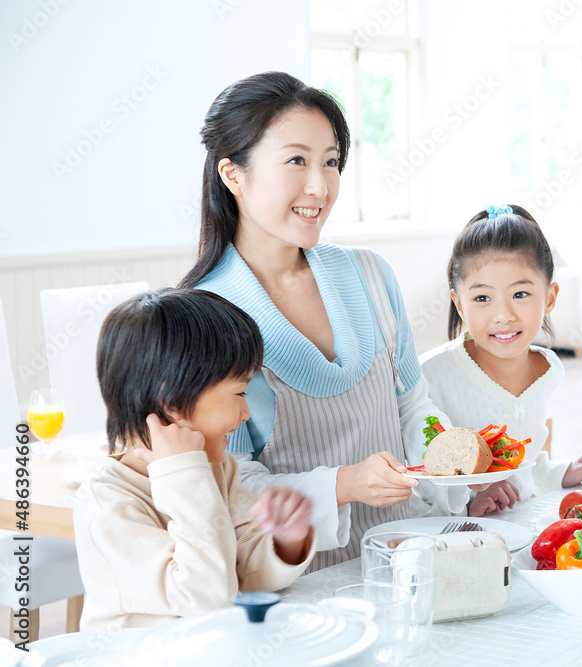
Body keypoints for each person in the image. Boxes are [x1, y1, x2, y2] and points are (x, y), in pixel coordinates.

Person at [178, 72, 467, 569]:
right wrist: (344, 485)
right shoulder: (205, 318)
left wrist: (458, 477)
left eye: (330, 162)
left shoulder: (371, 275)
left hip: (411, 550)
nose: (320, 186)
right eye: (296, 161)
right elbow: (235, 483)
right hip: (295, 576)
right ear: (233, 175)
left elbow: (413, 406)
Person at [75, 289, 316, 630]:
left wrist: (286, 542)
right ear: (172, 399)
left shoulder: (216, 467)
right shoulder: (107, 505)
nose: (246, 413)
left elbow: (241, 574)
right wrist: (184, 475)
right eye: (240, 392)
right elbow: (208, 603)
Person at [420, 205, 582, 516]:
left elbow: (524, 462)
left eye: (520, 294)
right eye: (482, 298)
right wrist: (473, 500)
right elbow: (417, 483)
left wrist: (560, 473)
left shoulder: (548, 370)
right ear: (459, 303)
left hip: (519, 529)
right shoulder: (429, 376)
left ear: (549, 297)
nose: (504, 316)